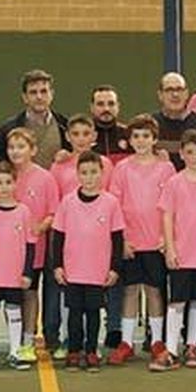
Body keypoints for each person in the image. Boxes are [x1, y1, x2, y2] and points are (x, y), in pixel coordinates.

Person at [108, 115, 174, 367]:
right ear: (130, 139)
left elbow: (171, 205)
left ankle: (157, 340)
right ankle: (126, 342)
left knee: (155, 291)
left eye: (146, 136)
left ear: (154, 139)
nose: (141, 141)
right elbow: (115, 205)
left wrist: (165, 238)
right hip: (131, 242)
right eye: (136, 136)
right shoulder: (122, 169)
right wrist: (122, 239)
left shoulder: (166, 168)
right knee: (130, 291)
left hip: (156, 243)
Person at [51, 151, 125, 372]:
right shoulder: (68, 202)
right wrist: (58, 265)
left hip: (97, 270)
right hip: (73, 270)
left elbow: (117, 239)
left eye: (94, 172)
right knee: (74, 312)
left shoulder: (111, 203)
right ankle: (74, 350)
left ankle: (92, 351)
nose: (89, 177)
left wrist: (114, 268)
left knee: (93, 313)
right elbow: (58, 236)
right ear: (77, 175)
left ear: (102, 174)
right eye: (84, 173)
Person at [160, 130, 196, 369]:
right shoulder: (174, 183)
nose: (194, 157)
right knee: (177, 302)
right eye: (190, 152)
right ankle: (171, 348)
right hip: (181, 252)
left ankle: (191, 345)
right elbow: (167, 217)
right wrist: (170, 249)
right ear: (181, 154)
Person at [5, 128, 58, 366]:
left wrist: (39, 227)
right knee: (10, 294)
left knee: (30, 292)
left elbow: (53, 212)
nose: (15, 152)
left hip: (33, 249)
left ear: (33, 150)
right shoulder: (3, 176)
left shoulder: (45, 177)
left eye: (21, 147)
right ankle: (14, 341)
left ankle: (28, 339)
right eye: (12, 147)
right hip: (5, 249)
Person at [0, 163, 34, 370]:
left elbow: (30, 244)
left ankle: (15, 352)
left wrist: (27, 272)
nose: (4, 187)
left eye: (8, 182)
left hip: (14, 274)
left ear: (15, 183)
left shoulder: (24, 212)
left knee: (14, 311)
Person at [0, 69, 70, 167]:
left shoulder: (65, 126)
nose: (39, 97)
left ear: (52, 94)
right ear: (25, 97)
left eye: (44, 91)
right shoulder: (8, 129)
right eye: (33, 92)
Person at [152, 72, 196, 165]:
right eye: (169, 90)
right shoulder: (151, 125)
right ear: (160, 95)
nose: (175, 94)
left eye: (179, 89)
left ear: (186, 93)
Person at [88, 85, 132, 158]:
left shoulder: (129, 134)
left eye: (111, 104)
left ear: (118, 106)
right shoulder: (83, 136)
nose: (106, 109)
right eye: (100, 104)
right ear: (92, 107)